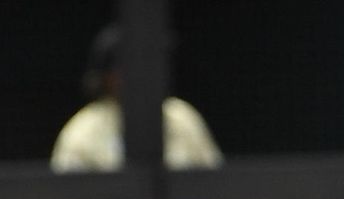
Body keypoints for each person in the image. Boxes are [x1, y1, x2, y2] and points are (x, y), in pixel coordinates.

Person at [51, 25, 223, 173]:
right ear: (107, 76)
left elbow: (217, 185)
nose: (142, 73)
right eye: (128, 67)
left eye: (151, 63)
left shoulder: (182, 117)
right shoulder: (83, 130)